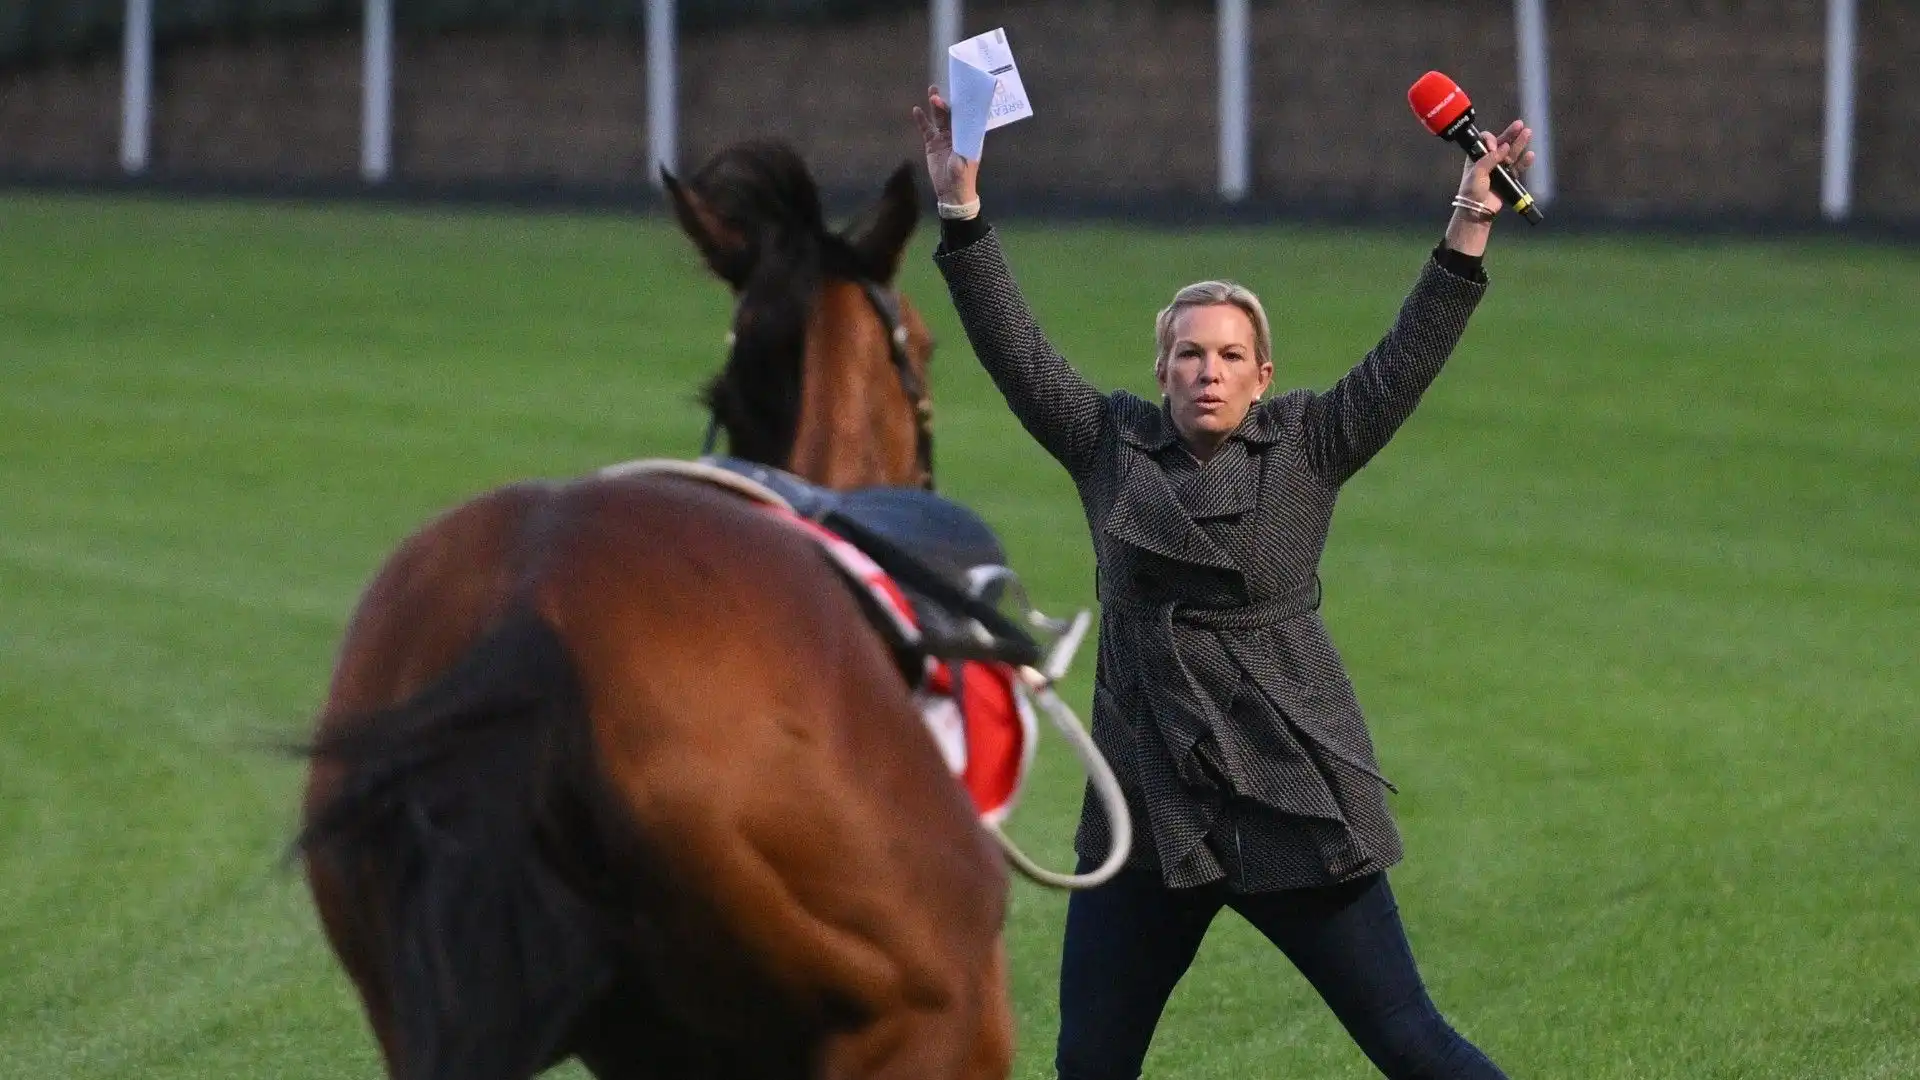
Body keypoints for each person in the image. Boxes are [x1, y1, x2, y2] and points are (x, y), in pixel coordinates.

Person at [912, 87, 1530, 1079]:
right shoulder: (1106, 441)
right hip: (1147, 812)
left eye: (1230, 356)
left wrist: (1468, 221)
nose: (1209, 371)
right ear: (1160, 371)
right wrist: (962, 208)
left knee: (1413, 1044)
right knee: (1091, 1065)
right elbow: (1014, 350)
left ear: (1262, 373)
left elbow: (1410, 352)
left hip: (1293, 798)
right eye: (1190, 354)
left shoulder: (1313, 443)